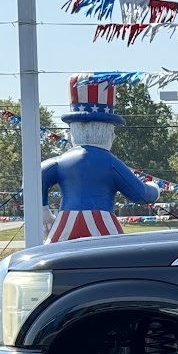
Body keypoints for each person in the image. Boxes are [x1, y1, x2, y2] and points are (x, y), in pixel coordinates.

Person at [41, 75, 160, 243]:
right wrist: (154, 189)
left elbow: (36, 177)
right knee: (117, 259)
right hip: (104, 222)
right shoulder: (110, 163)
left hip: (65, 220)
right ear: (110, 132)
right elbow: (139, 194)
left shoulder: (61, 162)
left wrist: (43, 209)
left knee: (51, 257)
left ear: (71, 132)